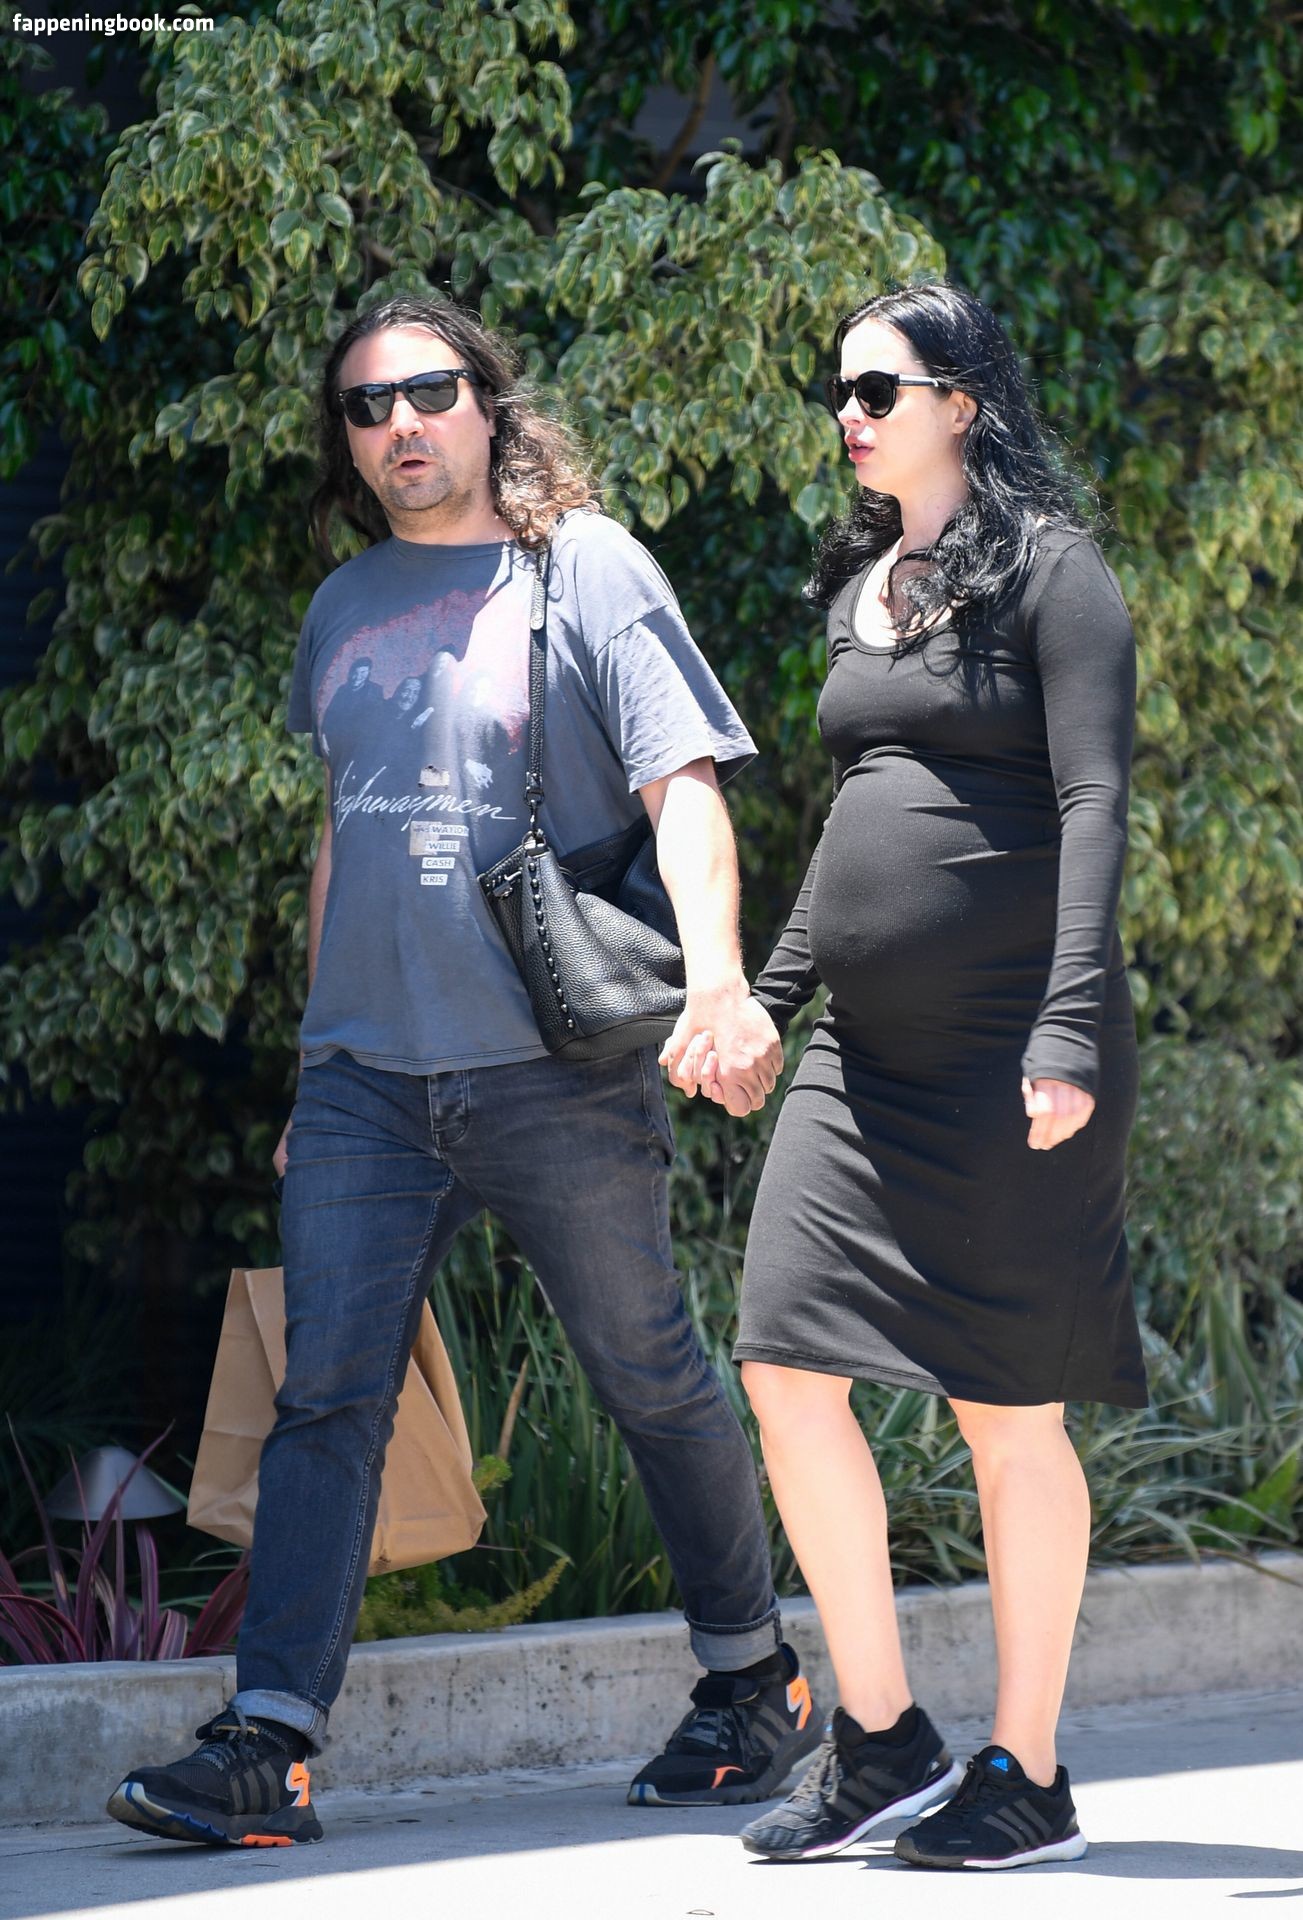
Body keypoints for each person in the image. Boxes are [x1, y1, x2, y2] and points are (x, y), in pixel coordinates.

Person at [106, 295, 818, 1849]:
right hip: (365, 1084)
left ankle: (754, 1679)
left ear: (489, 405)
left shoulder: (589, 568)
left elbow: (684, 788)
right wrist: (313, 1065)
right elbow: (340, 837)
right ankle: (271, 1746)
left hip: (553, 1074)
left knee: (648, 1375)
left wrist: (718, 982)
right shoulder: (341, 605)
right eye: (367, 408)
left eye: (429, 392)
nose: (401, 426)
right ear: (348, 444)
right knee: (327, 1399)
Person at [665, 281, 1144, 1871]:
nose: (849, 414)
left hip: (1012, 1053)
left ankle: (1030, 1771)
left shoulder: (1058, 576)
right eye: (840, 389)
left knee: (1007, 1412)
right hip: (861, 1063)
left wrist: (1068, 1029)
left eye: (879, 388)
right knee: (784, 1366)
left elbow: (1093, 806)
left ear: (963, 403)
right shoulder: (861, 585)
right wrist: (765, 1003)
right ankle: (880, 1739)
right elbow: (858, 823)